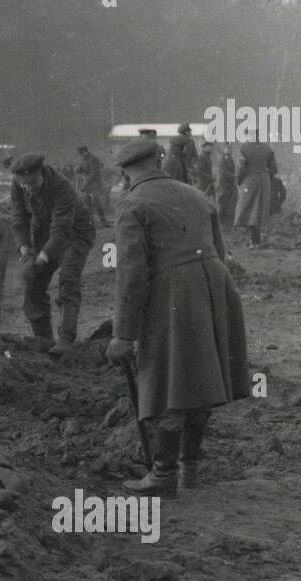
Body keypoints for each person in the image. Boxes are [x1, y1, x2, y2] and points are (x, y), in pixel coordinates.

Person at [106, 138, 250, 496]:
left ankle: (163, 475)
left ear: (126, 172)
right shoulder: (197, 194)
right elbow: (221, 251)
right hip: (216, 287)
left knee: (168, 381)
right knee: (201, 377)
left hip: (174, 295)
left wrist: (123, 334)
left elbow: (132, 275)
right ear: (160, 159)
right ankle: (190, 469)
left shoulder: (133, 205)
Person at [10, 154, 95, 356]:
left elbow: (61, 232)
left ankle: (65, 339)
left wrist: (40, 260)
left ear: (41, 174)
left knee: (68, 279)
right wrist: (24, 250)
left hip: (75, 233)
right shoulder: (18, 183)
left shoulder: (61, 186)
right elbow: (19, 217)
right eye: (24, 185)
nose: (28, 188)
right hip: (45, 235)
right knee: (34, 285)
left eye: (32, 183)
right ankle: (44, 340)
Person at [233, 133, 276, 248]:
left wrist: (238, 180)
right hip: (264, 180)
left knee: (248, 208)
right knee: (259, 210)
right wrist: (265, 176)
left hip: (249, 180)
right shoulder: (267, 148)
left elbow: (241, 167)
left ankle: (254, 241)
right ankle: (256, 240)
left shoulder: (243, 148)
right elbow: (274, 169)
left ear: (248, 134)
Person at [74, 146, 110, 227]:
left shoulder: (94, 159)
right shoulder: (83, 160)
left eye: (80, 154)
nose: (80, 156)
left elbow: (93, 174)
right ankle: (91, 222)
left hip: (95, 184)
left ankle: (104, 222)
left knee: (96, 203)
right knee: (88, 203)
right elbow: (82, 169)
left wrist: (84, 186)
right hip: (88, 185)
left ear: (84, 152)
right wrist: (78, 169)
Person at [215, 146, 237, 225]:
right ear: (224, 149)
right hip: (223, 183)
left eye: (231, 148)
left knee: (227, 201)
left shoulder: (230, 158)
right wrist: (233, 176)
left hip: (229, 183)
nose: (230, 150)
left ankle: (224, 221)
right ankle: (220, 221)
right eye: (228, 148)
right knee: (223, 201)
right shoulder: (223, 158)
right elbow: (223, 172)